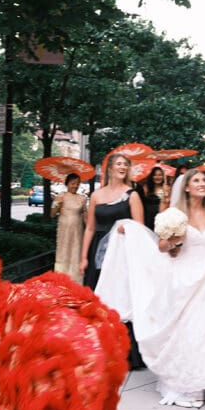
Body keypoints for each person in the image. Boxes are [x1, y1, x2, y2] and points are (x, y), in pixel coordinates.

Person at [95, 168, 205, 407]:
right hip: (182, 279)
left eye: (204, 180)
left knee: (204, 332)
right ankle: (185, 385)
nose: (202, 183)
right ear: (187, 187)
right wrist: (172, 242)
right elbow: (162, 247)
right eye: (196, 180)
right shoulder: (176, 214)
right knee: (187, 332)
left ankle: (203, 379)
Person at [81, 153, 145, 367]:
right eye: (118, 163)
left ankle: (126, 352)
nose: (122, 167)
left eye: (125, 164)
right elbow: (89, 227)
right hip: (97, 250)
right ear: (109, 168)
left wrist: (126, 229)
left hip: (121, 253)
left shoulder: (132, 195)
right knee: (97, 299)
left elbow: (140, 229)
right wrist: (83, 257)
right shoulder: (96, 195)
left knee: (120, 298)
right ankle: (97, 349)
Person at [51, 173, 87, 283]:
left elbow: (85, 217)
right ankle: (61, 279)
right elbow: (52, 214)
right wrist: (57, 204)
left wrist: (90, 229)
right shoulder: (61, 196)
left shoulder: (82, 198)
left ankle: (76, 280)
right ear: (67, 184)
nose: (75, 186)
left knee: (76, 252)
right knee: (64, 251)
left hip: (77, 229)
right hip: (64, 228)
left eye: (77, 184)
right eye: (72, 183)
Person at [140, 165, 169, 229]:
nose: (158, 177)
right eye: (155, 175)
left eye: (160, 175)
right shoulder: (146, 188)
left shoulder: (166, 189)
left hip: (159, 219)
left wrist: (165, 192)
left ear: (163, 177)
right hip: (147, 218)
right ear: (152, 176)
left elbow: (166, 204)